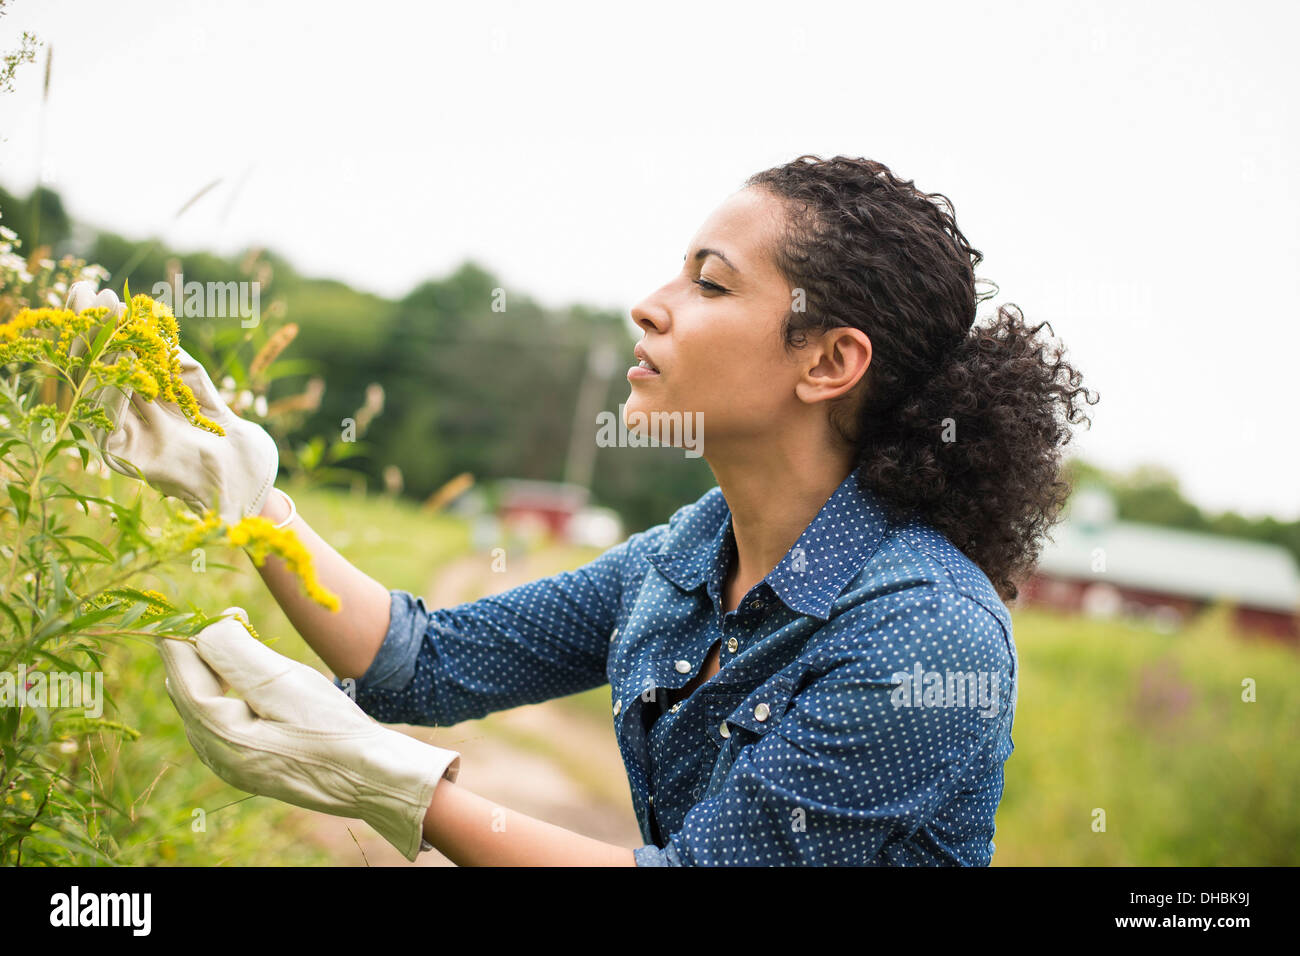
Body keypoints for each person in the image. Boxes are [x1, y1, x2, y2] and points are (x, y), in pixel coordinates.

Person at [68, 154, 1095, 866]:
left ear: (828, 361)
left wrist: (403, 791)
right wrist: (252, 507)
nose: (650, 304)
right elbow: (425, 661)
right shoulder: (694, 549)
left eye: (709, 283)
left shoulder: (924, 637)